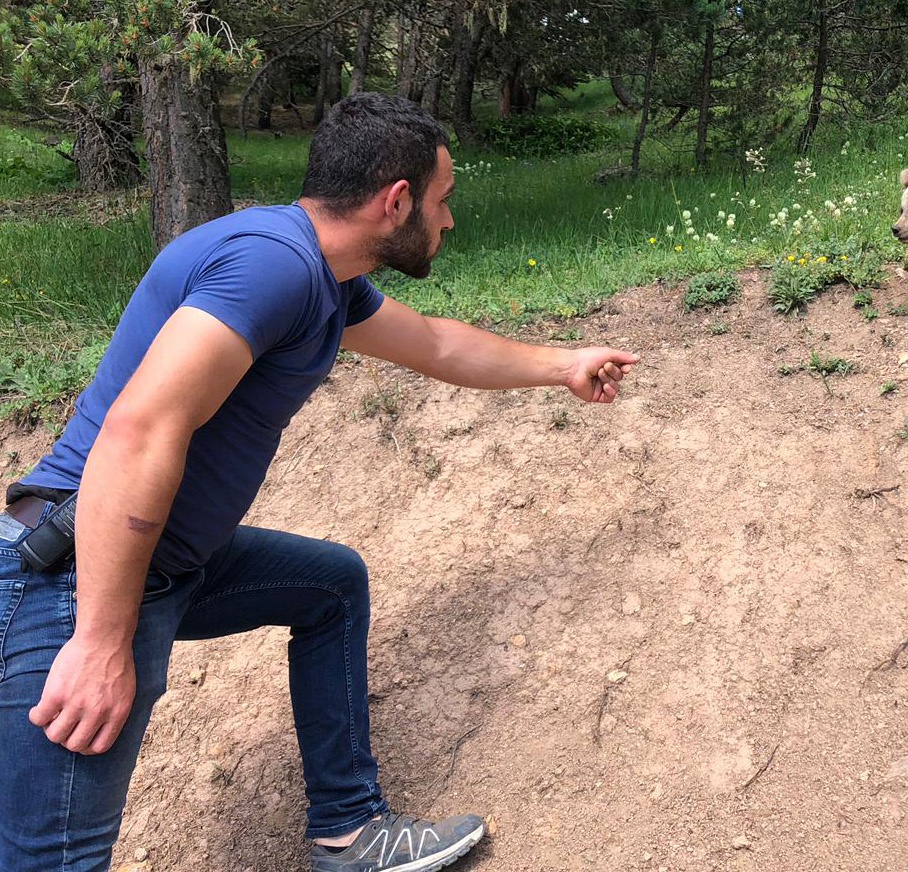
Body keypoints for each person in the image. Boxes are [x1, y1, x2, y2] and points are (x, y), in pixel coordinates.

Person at [0, 92, 639, 872]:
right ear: (395, 200)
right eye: (442, 203)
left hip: (164, 567)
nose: (448, 223)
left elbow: (436, 342)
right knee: (53, 859)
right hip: (76, 573)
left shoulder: (325, 279)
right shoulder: (275, 265)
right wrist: (100, 641)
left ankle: (349, 829)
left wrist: (563, 365)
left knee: (330, 585)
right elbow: (140, 429)